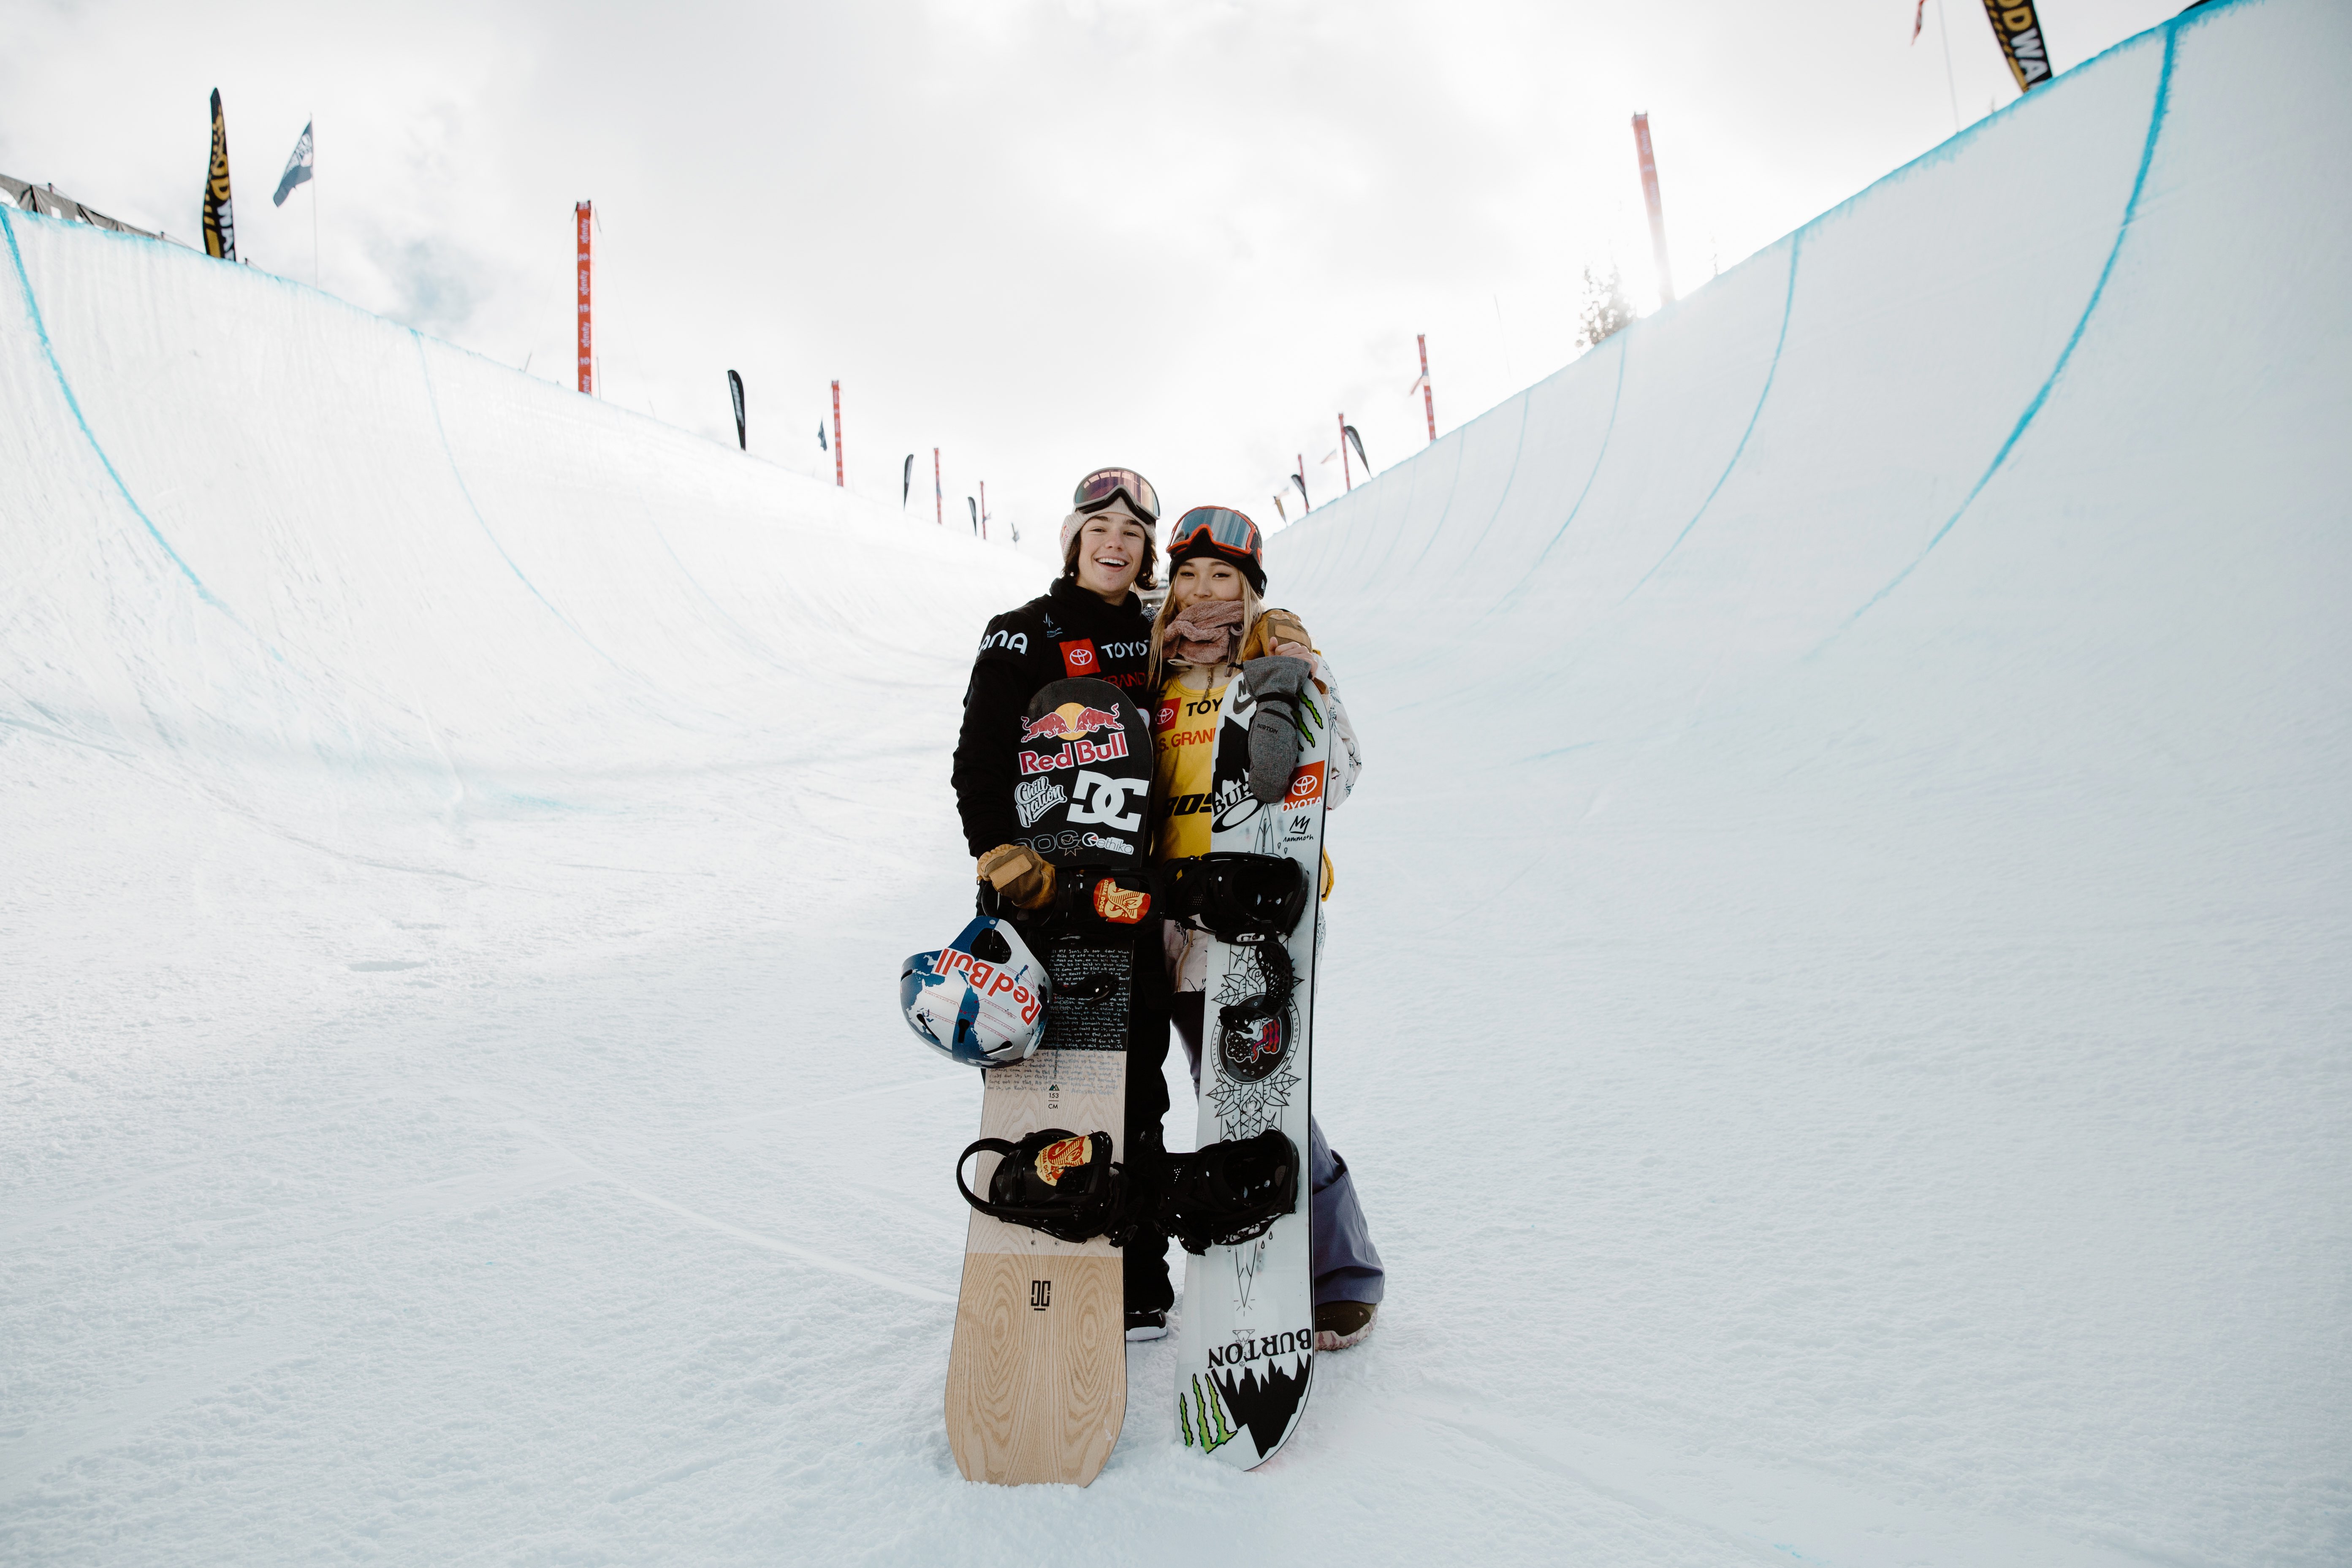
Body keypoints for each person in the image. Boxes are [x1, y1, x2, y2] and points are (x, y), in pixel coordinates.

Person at [1145, 505, 1385, 1351]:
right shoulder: (1153, 678)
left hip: (1259, 913)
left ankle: (1339, 1271)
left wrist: (1298, 677)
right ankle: (1259, 1255)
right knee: (1223, 1090)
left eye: (1224, 578)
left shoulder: (1278, 660)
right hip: (1175, 917)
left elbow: (1341, 773)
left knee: (1254, 1086)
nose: (1204, 592)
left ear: (1250, 591)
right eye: (1188, 576)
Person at [949, 465, 1177, 1337]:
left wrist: (1276, 629)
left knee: (1135, 1092)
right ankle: (1038, 1257)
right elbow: (978, 758)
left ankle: (1137, 1278)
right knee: (1045, 1085)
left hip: (1129, 897)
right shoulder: (1021, 634)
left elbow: (1229, 638)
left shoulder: (1163, 637)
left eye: (1130, 534)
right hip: (1041, 900)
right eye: (1098, 531)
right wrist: (999, 853)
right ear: (1073, 541)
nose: (1114, 545)